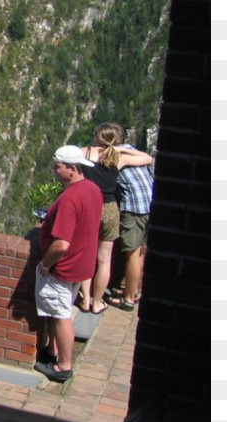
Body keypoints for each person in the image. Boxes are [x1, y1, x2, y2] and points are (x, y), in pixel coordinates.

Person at [34, 145, 103, 383]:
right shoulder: (93, 189)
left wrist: (45, 264)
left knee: (61, 314)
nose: (54, 171)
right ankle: (52, 352)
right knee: (58, 311)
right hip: (82, 264)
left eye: (58, 167)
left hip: (62, 268)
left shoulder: (69, 198)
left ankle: (63, 365)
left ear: (72, 169)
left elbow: (62, 243)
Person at [77, 123, 153, 315]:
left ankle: (85, 299)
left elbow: (62, 156)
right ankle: (97, 302)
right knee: (104, 259)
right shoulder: (119, 158)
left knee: (87, 254)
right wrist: (117, 148)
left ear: (96, 137)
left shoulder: (84, 152)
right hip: (110, 209)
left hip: (90, 205)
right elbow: (148, 158)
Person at [106, 123, 154, 311]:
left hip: (135, 209)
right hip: (149, 205)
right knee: (139, 251)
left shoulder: (114, 157)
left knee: (131, 254)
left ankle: (128, 299)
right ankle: (133, 291)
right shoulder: (130, 150)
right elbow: (149, 158)